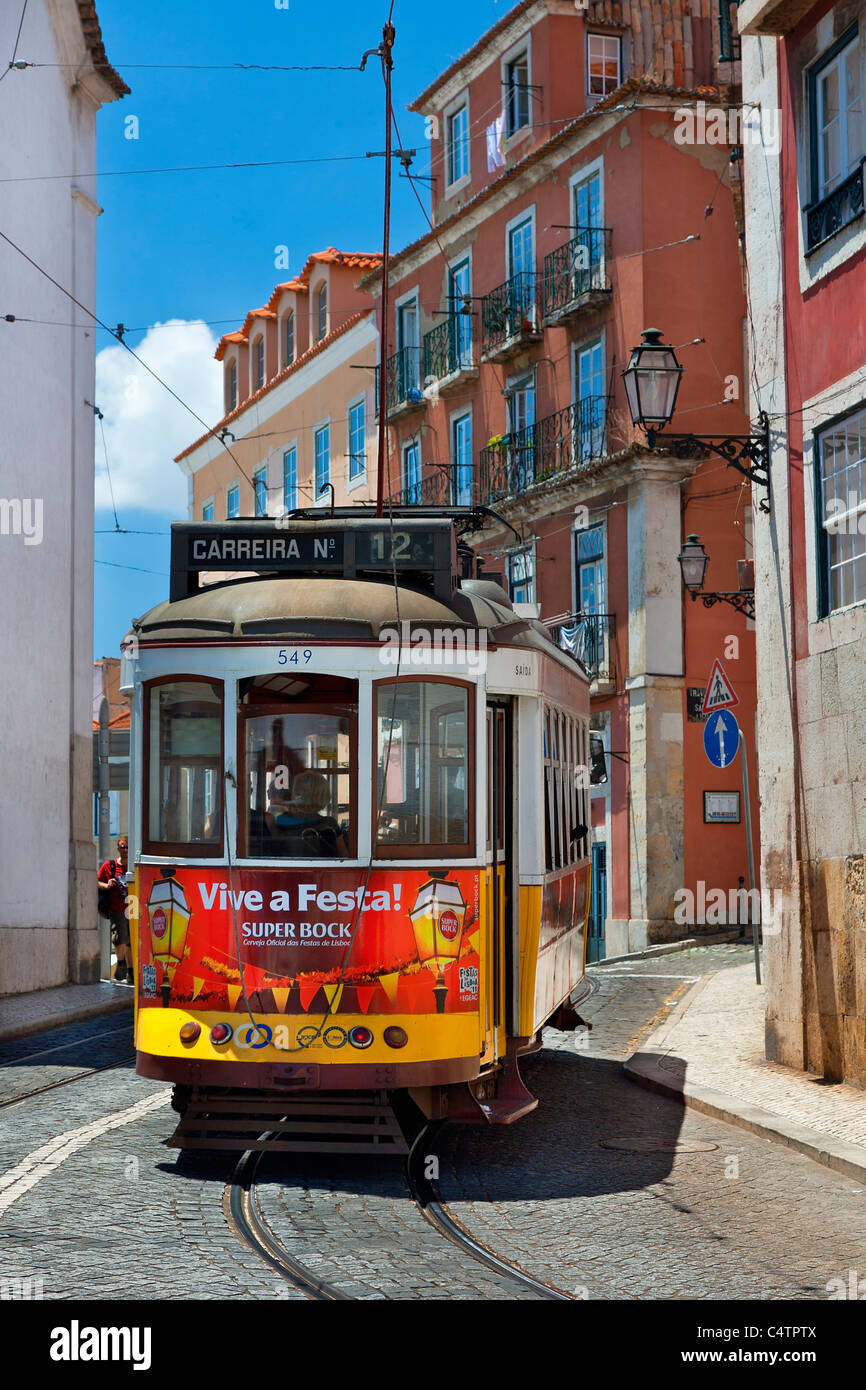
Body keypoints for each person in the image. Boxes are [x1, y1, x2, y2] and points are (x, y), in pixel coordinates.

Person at [267, 771, 348, 856]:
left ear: (295, 795)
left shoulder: (282, 820)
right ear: (324, 797)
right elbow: (344, 855)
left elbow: (274, 851)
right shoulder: (330, 824)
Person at [98, 837, 133, 985]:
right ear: (118, 848)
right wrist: (107, 885)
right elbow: (97, 881)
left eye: (128, 848)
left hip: (133, 908)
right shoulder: (109, 866)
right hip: (116, 908)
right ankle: (120, 963)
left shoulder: (134, 866)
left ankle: (130, 972)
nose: (125, 850)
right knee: (120, 938)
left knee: (131, 941)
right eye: (123, 847)